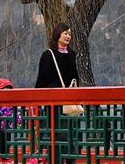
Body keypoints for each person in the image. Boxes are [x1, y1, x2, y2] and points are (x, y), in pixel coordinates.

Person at [35, 23, 79, 164]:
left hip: (69, 102)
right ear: (57, 35)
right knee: (57, 134)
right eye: (65, 33)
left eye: (70, 34)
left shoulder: (72, 54)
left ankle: (69, 160)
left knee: (69, 134)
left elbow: (75, 77)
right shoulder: (48, 55)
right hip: (53, 103)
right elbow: (42, 80)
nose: (68, 36)